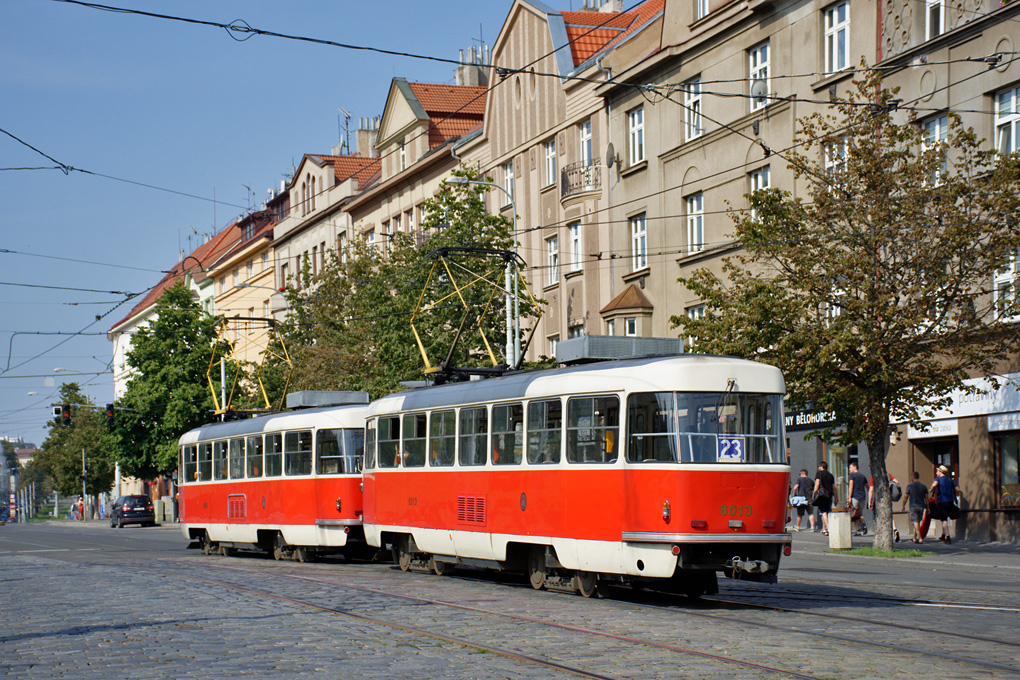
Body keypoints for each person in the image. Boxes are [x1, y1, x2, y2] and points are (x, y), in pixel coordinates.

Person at [930, 464, 960, 543]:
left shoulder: (938, 479)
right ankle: (943, 535)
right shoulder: (950, 480)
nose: (936, 473)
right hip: (950, 501)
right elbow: (957, 489)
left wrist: (931, 489)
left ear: (940, 472)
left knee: (944, 519)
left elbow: (934, 486)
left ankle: (947, 537)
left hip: (942, 501)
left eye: (937, 471)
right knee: (945, 517)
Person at [868, 471, 901, 542]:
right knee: (889, 516)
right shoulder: (887, 474)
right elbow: (897, 482)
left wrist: (869, 501)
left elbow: (871, 489)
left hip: (877, 500)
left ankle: (879, 535)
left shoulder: (873, 476)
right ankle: (895, 530)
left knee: (877, 518)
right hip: (887, 500)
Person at [901, 471, 928, 543]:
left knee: (915, 522)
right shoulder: (924, 486)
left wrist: (903, 506)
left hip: (913, 506)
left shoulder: (910, 486)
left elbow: (906, 497)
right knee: (918, 521)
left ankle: (920, 538)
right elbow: (926, 498)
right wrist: (928, 508)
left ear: (912, 477)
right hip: (921, 506)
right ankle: (914, 537)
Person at [813, 461, 838, 535]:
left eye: (818, 466)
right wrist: (836, 497)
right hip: (829, 495)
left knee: (823, 511)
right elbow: (834, 487)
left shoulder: (819, 473)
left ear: (821, 467)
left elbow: (817, 484)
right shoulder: (830, 475)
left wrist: (814, 493)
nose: (818, 468)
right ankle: (824, 529)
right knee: (827, 511)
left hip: (822, 495)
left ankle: (829, 528)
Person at [847, 462, 868, 536]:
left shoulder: (852, 476)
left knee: (855, 514)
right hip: (862, 497)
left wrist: (849, 497)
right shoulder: (862, 476)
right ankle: (864, 525)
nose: (849, 469)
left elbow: (851, 486)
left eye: (850, 467)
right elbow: (867, 486)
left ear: (855, 467)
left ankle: (858, 530)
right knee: (860, 513)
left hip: (855, 497)